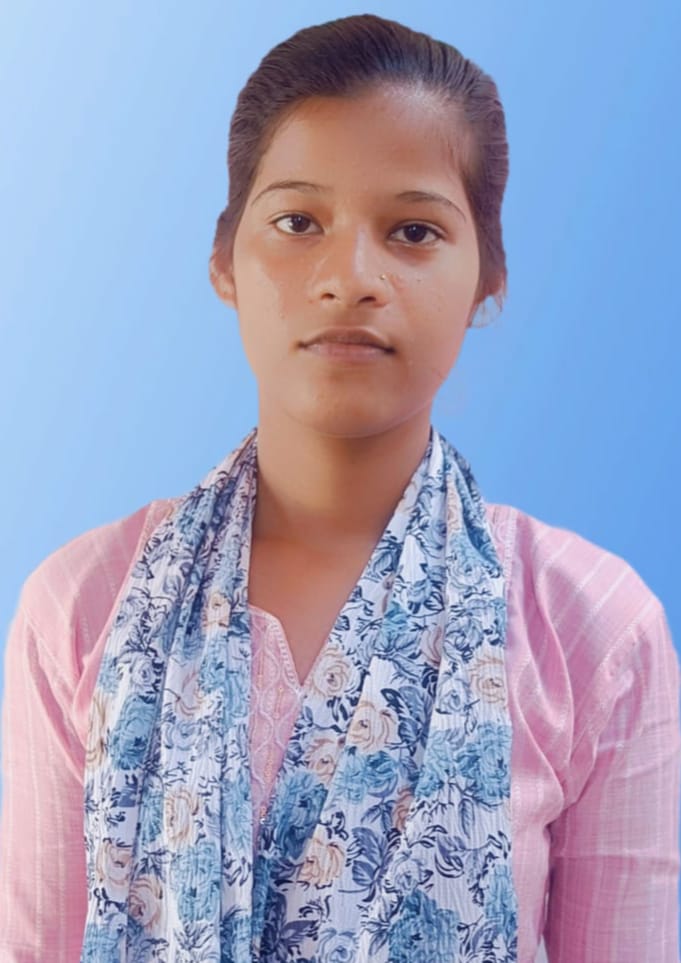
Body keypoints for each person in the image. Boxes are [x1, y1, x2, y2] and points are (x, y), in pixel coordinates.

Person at [0, 13, 679, 963]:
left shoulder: (589, 629)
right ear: (223, 261)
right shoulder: (82, 608)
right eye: (297, 222)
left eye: (413, 230)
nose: (350, 278)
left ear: (487, 277)